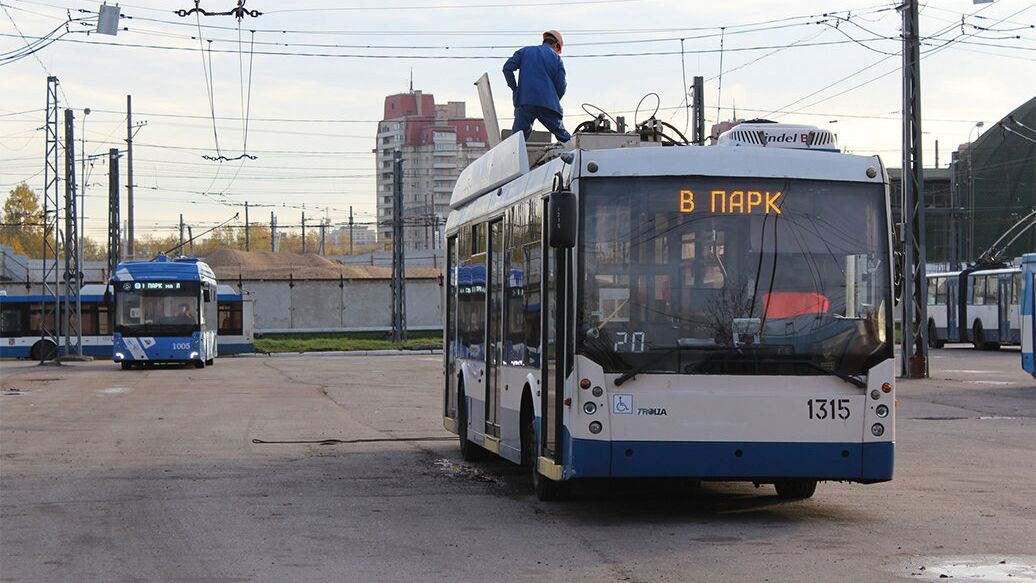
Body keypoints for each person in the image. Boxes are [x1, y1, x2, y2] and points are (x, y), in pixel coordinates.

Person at [503, 30, 571, 144]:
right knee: (564, 137)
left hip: (525, 102)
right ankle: (581, 155)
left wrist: (515, 88)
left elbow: (507, 68)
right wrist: (553, 99)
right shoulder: (557, 59)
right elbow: (561, 86)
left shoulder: (524, 51)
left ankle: (512, 160)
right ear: (556, 45)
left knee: (516, 141)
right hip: (548, 104)